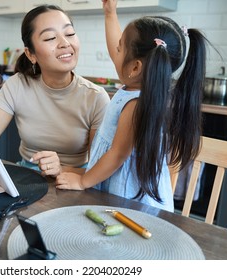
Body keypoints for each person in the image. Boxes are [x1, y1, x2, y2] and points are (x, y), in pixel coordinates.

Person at [56, 0, 210, 212]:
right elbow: (117, 51)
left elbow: (117, 154)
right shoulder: (139, 88)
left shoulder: (136, 104)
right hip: (114, 180)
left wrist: (82, 182)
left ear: (136, 67)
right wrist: (110, 13)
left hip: (129, 199)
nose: (115, 53)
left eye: (120, 49)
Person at [0, 4, 110, 177]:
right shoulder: (17, 85)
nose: (65, 43)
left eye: (69, 34)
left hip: (75, 181)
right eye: (50, 38)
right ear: (30, 54)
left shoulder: (96, 97)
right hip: (26, 178)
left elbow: (100, 174)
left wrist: (61, 169)